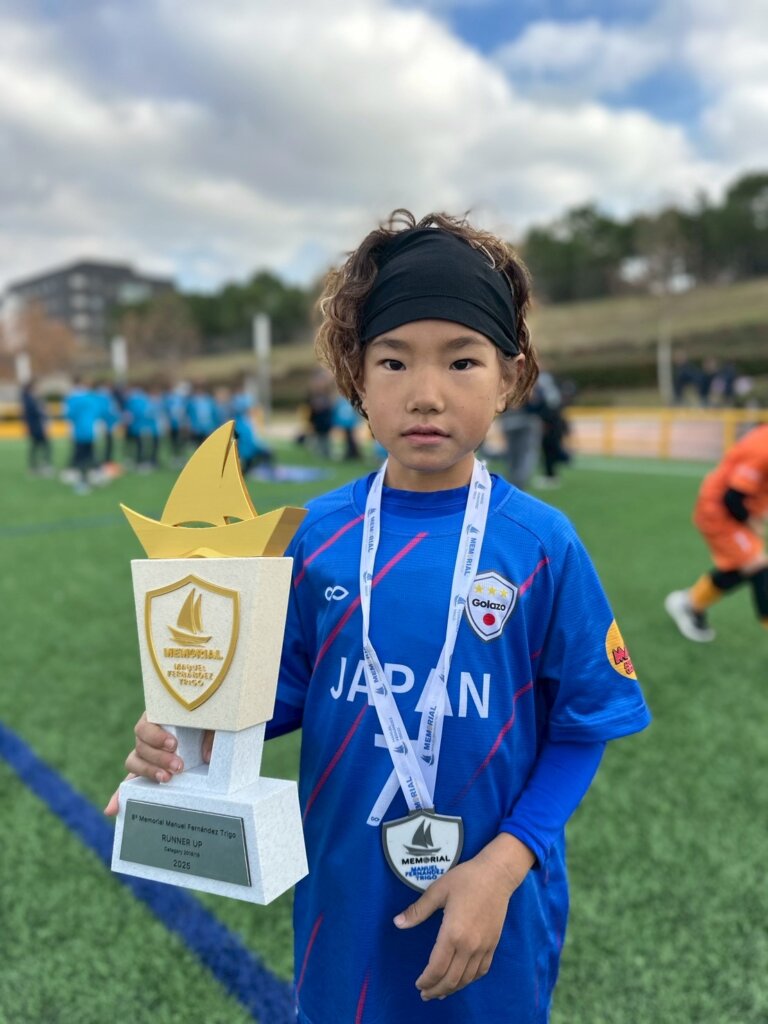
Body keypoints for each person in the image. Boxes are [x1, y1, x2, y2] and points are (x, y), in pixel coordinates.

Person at [106, 210, 650, 1024]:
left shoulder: (541, 543)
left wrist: (503, 867)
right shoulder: (314, 536)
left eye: (462, 361)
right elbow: (274, 696)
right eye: (393, 361)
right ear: (356, 378)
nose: (426, 394)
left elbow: (582, 725)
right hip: (346, 901)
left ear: (509, 378)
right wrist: (188, 732)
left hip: (494, 900)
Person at [665, 423, 768, 642]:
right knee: (757, 565)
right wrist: (753, 521)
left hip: (738, 507)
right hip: (719, 511)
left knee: (745, 566)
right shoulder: (763, 448)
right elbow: (733, 498)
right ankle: (689, 604)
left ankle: (689, 603)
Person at [20, 378, 52, 475]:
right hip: (36, 427)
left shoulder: (34, 398)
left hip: (37, 426)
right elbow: (29, 414)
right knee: (42, 446)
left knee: (38, 446)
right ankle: (40, 466)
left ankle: (37, 466)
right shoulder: (29, 399)